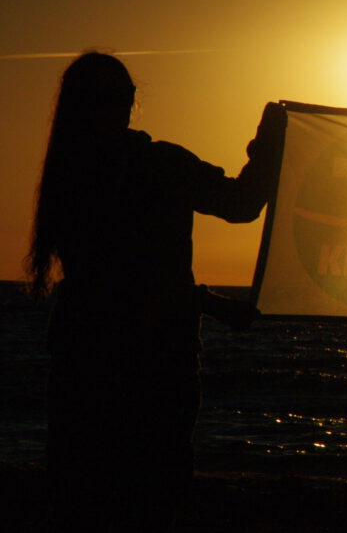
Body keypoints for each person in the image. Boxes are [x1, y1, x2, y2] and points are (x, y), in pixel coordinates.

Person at [25, 51, 285, 531]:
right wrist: (269, 148)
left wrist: (210, 305)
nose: (121, 105)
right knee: (152, 496)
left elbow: (125, 286)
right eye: (114, 97)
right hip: (155, 366)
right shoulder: (159, 164)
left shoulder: (66, 178)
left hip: (83, 361)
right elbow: (242, 204)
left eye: (123, 96)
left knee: (82, 498)